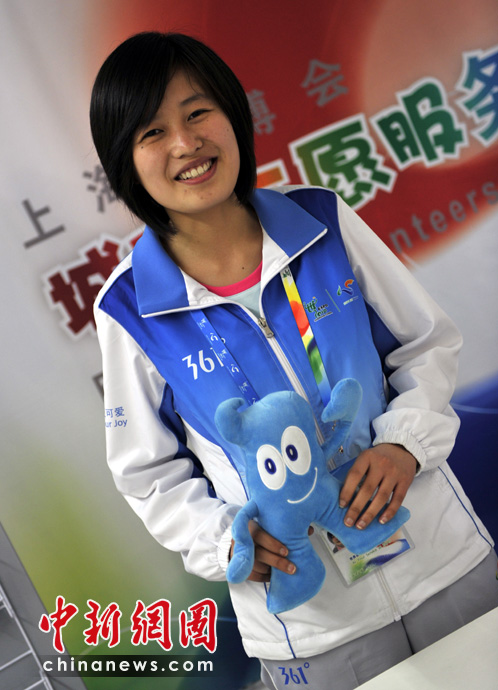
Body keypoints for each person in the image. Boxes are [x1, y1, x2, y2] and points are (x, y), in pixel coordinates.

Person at [91, 31, 497, 689]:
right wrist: (226, 541)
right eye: (152, 132)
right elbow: (148, 473)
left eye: (198, 113)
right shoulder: (129, 309)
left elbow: (426, 344)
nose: (185, 144)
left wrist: (405, 445)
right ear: (125, 162)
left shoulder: (321, 221)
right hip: (311, 626)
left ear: (232, 115)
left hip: (442, 558)